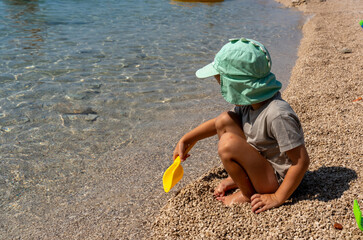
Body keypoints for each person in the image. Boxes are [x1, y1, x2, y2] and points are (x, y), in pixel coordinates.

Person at [173, 38, 310, 214]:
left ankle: (247, 193)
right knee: (224, 119)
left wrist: (278, 197)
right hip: (262, 166)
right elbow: (217, 124)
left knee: (227, 144)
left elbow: (301, 161)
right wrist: (187, 139)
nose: (218, 82)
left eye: (220, 79)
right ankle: (241, 179)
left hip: (281, 182)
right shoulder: (251, 103)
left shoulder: (278, 114)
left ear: (236, 84)